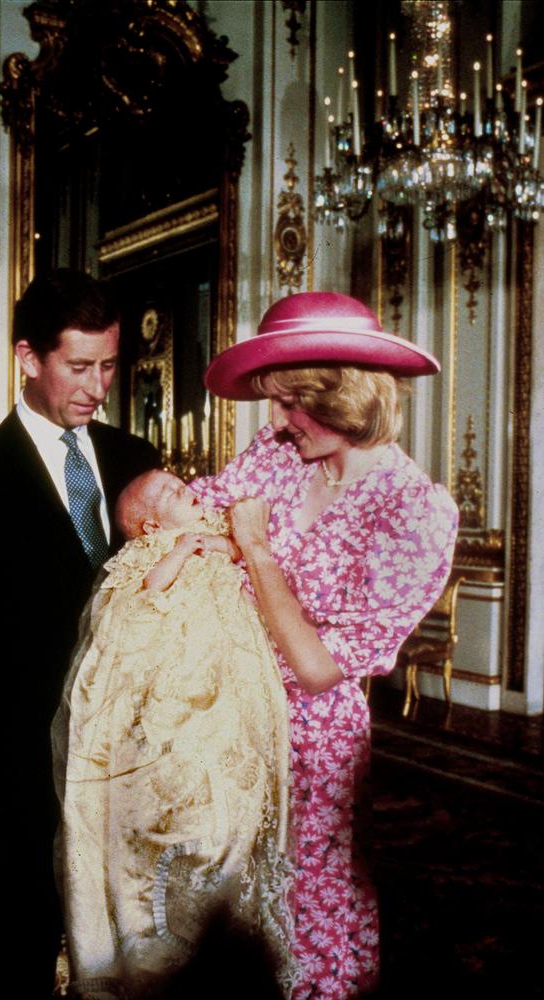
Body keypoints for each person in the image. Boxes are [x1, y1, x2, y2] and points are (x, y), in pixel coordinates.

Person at [192, 291, 459, 999]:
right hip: (228, 719)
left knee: (303, 916)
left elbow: (315, 668)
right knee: (221, 916)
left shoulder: (414, 511)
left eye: (291, 403)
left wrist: (252, 547)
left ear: (343, 396)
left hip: (312, 746)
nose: (276, 420)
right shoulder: (280, 456)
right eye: (273, 402)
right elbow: (194, 512)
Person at [0, 269, 159, 999]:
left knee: (133, 941)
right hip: (21, 771)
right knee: (22, 945)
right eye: (79, 366)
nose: (98, 386)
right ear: (29, 357)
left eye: (110, 365)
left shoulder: (135, 460)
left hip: (136, 758)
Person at [52, 469, 293, 1000]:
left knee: (232, 766)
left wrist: (223, 544)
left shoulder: (213, 524)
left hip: (227, 665)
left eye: (176, 479)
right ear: (150, 525)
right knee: (177, 754)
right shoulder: (151, 550)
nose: (181, 485)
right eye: (164, 492)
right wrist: (182, 551)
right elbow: (147, 591)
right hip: (174, 670)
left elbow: (238, 551)